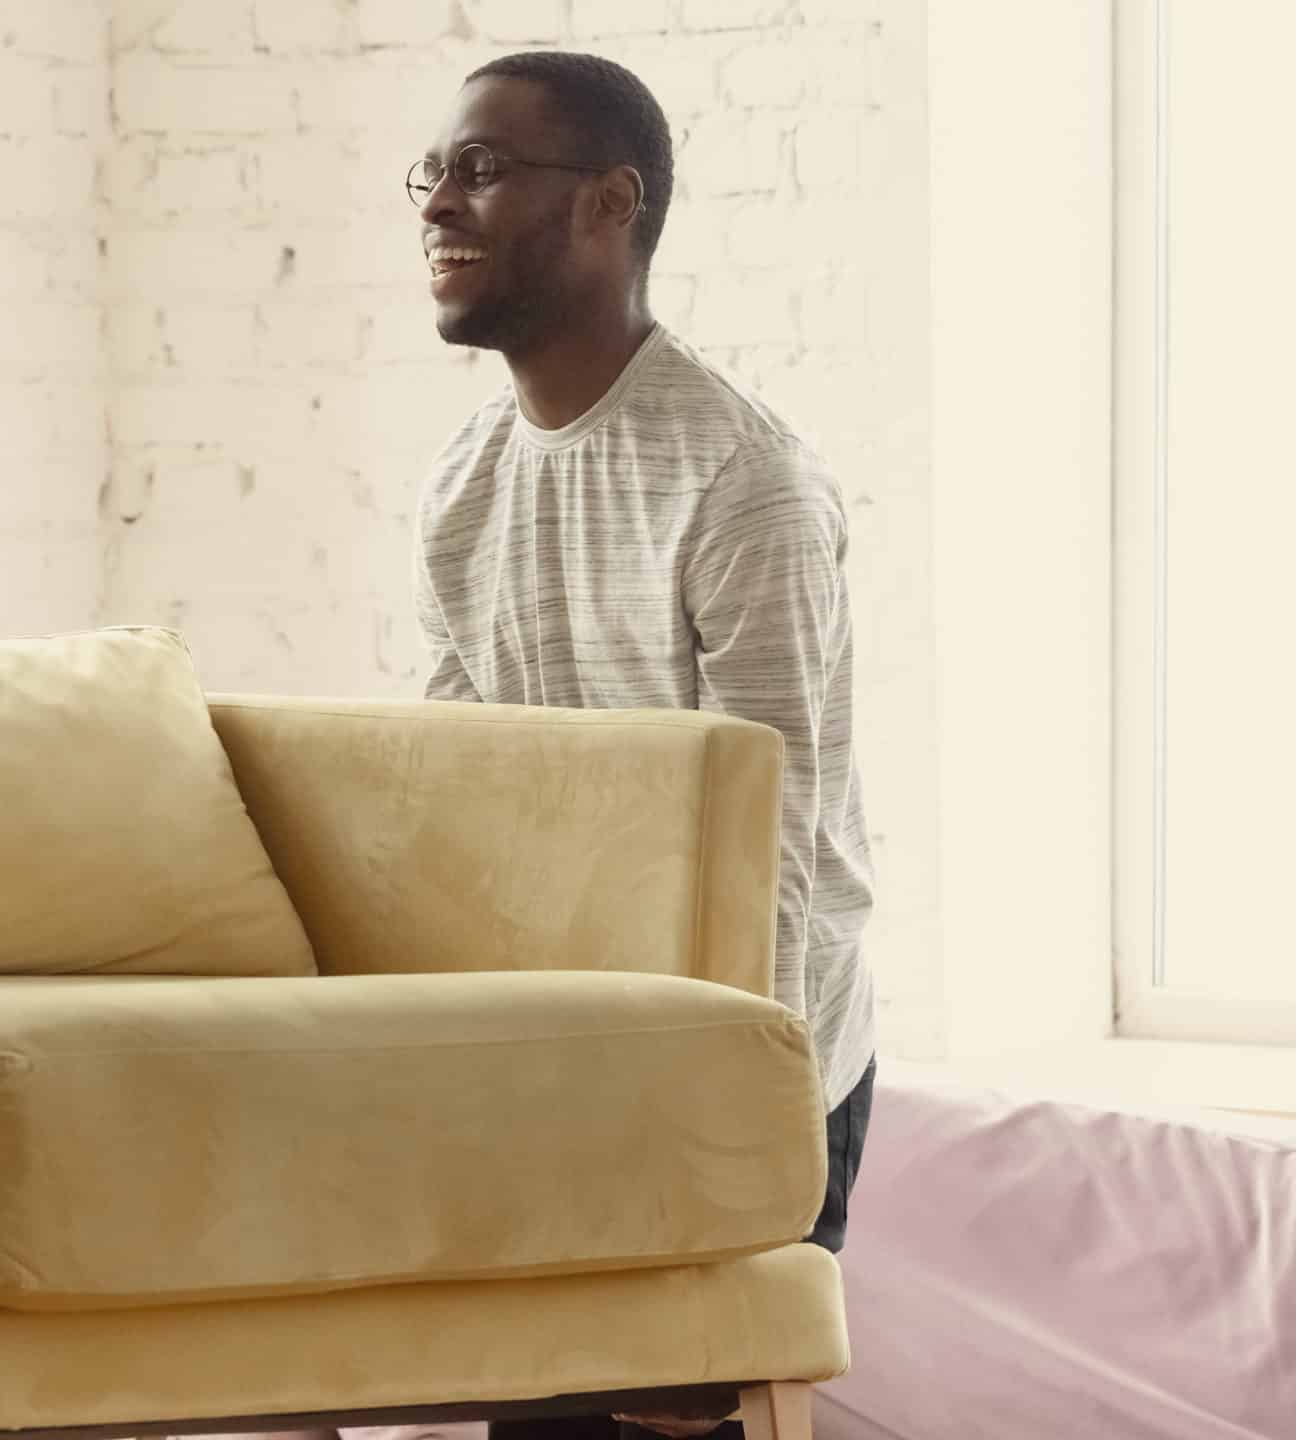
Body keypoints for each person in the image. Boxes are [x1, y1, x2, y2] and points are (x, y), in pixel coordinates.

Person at [408, 51, 878, 1440]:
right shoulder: (462, 489)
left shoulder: (744, 483)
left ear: (613, 204)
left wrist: (739, 1147)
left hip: (751, 1062)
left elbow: (778, 837)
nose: (439, 203)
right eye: (432, 173)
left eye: (484, 169)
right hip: (564, 1050)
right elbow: (448, 804)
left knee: (684, 1422)